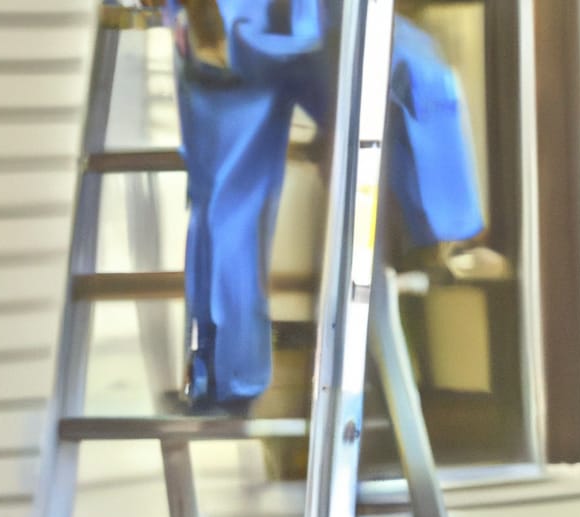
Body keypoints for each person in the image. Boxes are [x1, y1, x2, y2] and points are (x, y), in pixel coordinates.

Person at [168, 0, 492, 414]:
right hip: (264, 30)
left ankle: (223, 375)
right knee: (419, 75)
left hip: (280, 28)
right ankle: (441, 238)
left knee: (230, 201)